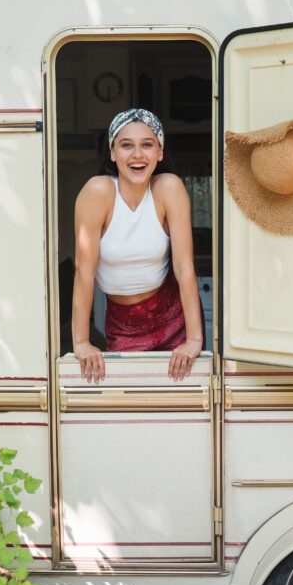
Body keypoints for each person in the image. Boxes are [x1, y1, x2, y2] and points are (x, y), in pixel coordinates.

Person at [72, 108, 203, 383]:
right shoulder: (98, 192)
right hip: (123, 324)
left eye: (147, 144)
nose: (137, 154)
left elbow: (184, 267)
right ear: (112, 153)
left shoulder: (169, 188)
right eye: (126, 145)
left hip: (174, 316)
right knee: (133, 400)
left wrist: (194, 338)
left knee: (184, 401)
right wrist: (81, 342)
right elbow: (83, 271)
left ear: (160, 152)